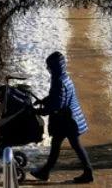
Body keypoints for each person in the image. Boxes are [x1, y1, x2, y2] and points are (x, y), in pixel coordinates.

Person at [31, 52, 94, 184]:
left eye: (49, 67)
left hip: (68, 121)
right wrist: (43, 101)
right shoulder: (63, 77)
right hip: (67, 119)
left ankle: (88, 173)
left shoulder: (59, 81)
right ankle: (46, 171)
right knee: (59, 145)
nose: (48, 69)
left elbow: (57, 103)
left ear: (55, 67)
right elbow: (56, 98)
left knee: (73, 146)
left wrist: (42, 111)